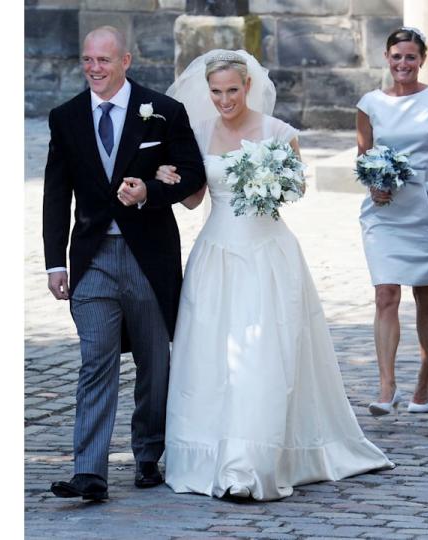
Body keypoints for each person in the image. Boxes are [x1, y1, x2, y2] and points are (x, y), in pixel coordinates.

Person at [155, 49, 394, 501]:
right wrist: (169, 176)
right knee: (211, 357)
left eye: (232, 90)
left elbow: (296, 188)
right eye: (216, 91)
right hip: (216, 256)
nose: (224, 99)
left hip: (268, 255)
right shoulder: (199, 132)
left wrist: (274, 179)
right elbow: (192, 200)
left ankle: (253, 461)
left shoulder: (279, 133)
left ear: (248, 86)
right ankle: (208, 454)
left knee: (264, 355)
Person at [43, 26, 206, 501]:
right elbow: (57, 195)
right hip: (92, 259)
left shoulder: (164, 112)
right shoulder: (66, 117)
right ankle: (89, 472)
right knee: (96, 359)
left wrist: (152, 192)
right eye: (87, 59)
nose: (94, 68)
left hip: (148, 258)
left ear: (126, 61)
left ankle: (148, 455)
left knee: (155, 364)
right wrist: (56, 263)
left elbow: (194, 175)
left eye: (104, 60)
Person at [357, 28, 428, 415]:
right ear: (387, 57)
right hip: (384, 212)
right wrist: (373, 184)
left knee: (425, 296)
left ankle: (425, 378)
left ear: (421, 60)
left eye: (410, 58)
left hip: (425, 207)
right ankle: (386, 386)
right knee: (385, 294)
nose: (403, 64)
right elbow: (362, 156)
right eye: (396, 57)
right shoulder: (369, 103)